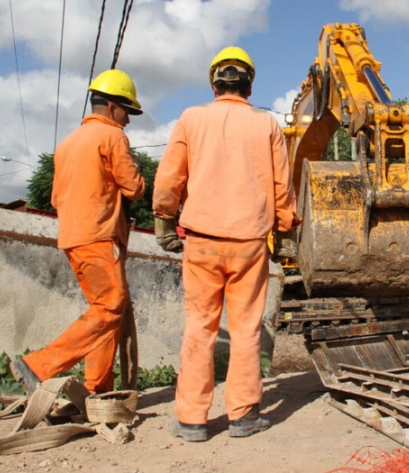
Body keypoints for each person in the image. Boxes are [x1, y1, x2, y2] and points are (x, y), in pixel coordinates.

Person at [152, 46, 300, 442]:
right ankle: (244, 416)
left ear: (214, 82)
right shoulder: (267, 125)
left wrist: (164, 220)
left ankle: (191, 420)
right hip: (250, 242)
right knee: (246, 328)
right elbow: (282, 188)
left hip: (201, 241)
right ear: (249, 84)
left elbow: (169, 179)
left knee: (199, 329)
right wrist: (284, 231)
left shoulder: (191, 118)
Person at [11, 69, 146, 395]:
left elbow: (56, 197)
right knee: (110, 307)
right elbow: (135, 188)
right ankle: (38, 365)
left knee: (105, 313)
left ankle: (96, 391)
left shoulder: (67, 143)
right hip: (100, 236)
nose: (128, 119)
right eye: (127, 110)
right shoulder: (112, 137)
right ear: (113, 106)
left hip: (74, 237)